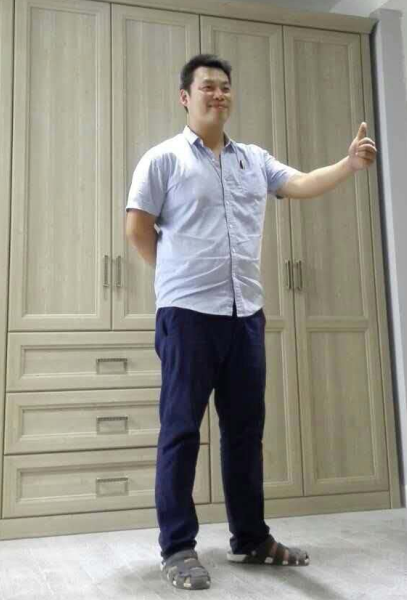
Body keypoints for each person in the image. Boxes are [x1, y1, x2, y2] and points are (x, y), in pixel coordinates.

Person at [125, 54, 377, 591]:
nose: (218, 94)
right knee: (181, 431)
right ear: (185, 97)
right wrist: (175, 277)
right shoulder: (163, 159)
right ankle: (177, 547)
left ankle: (251, 538)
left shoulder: (253, 160)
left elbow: (302, 182)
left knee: (244, 431)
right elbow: (137, 227)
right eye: (207, 87)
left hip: (244, 317)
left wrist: (348, 165)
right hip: (187, 316)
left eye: (225, 87)